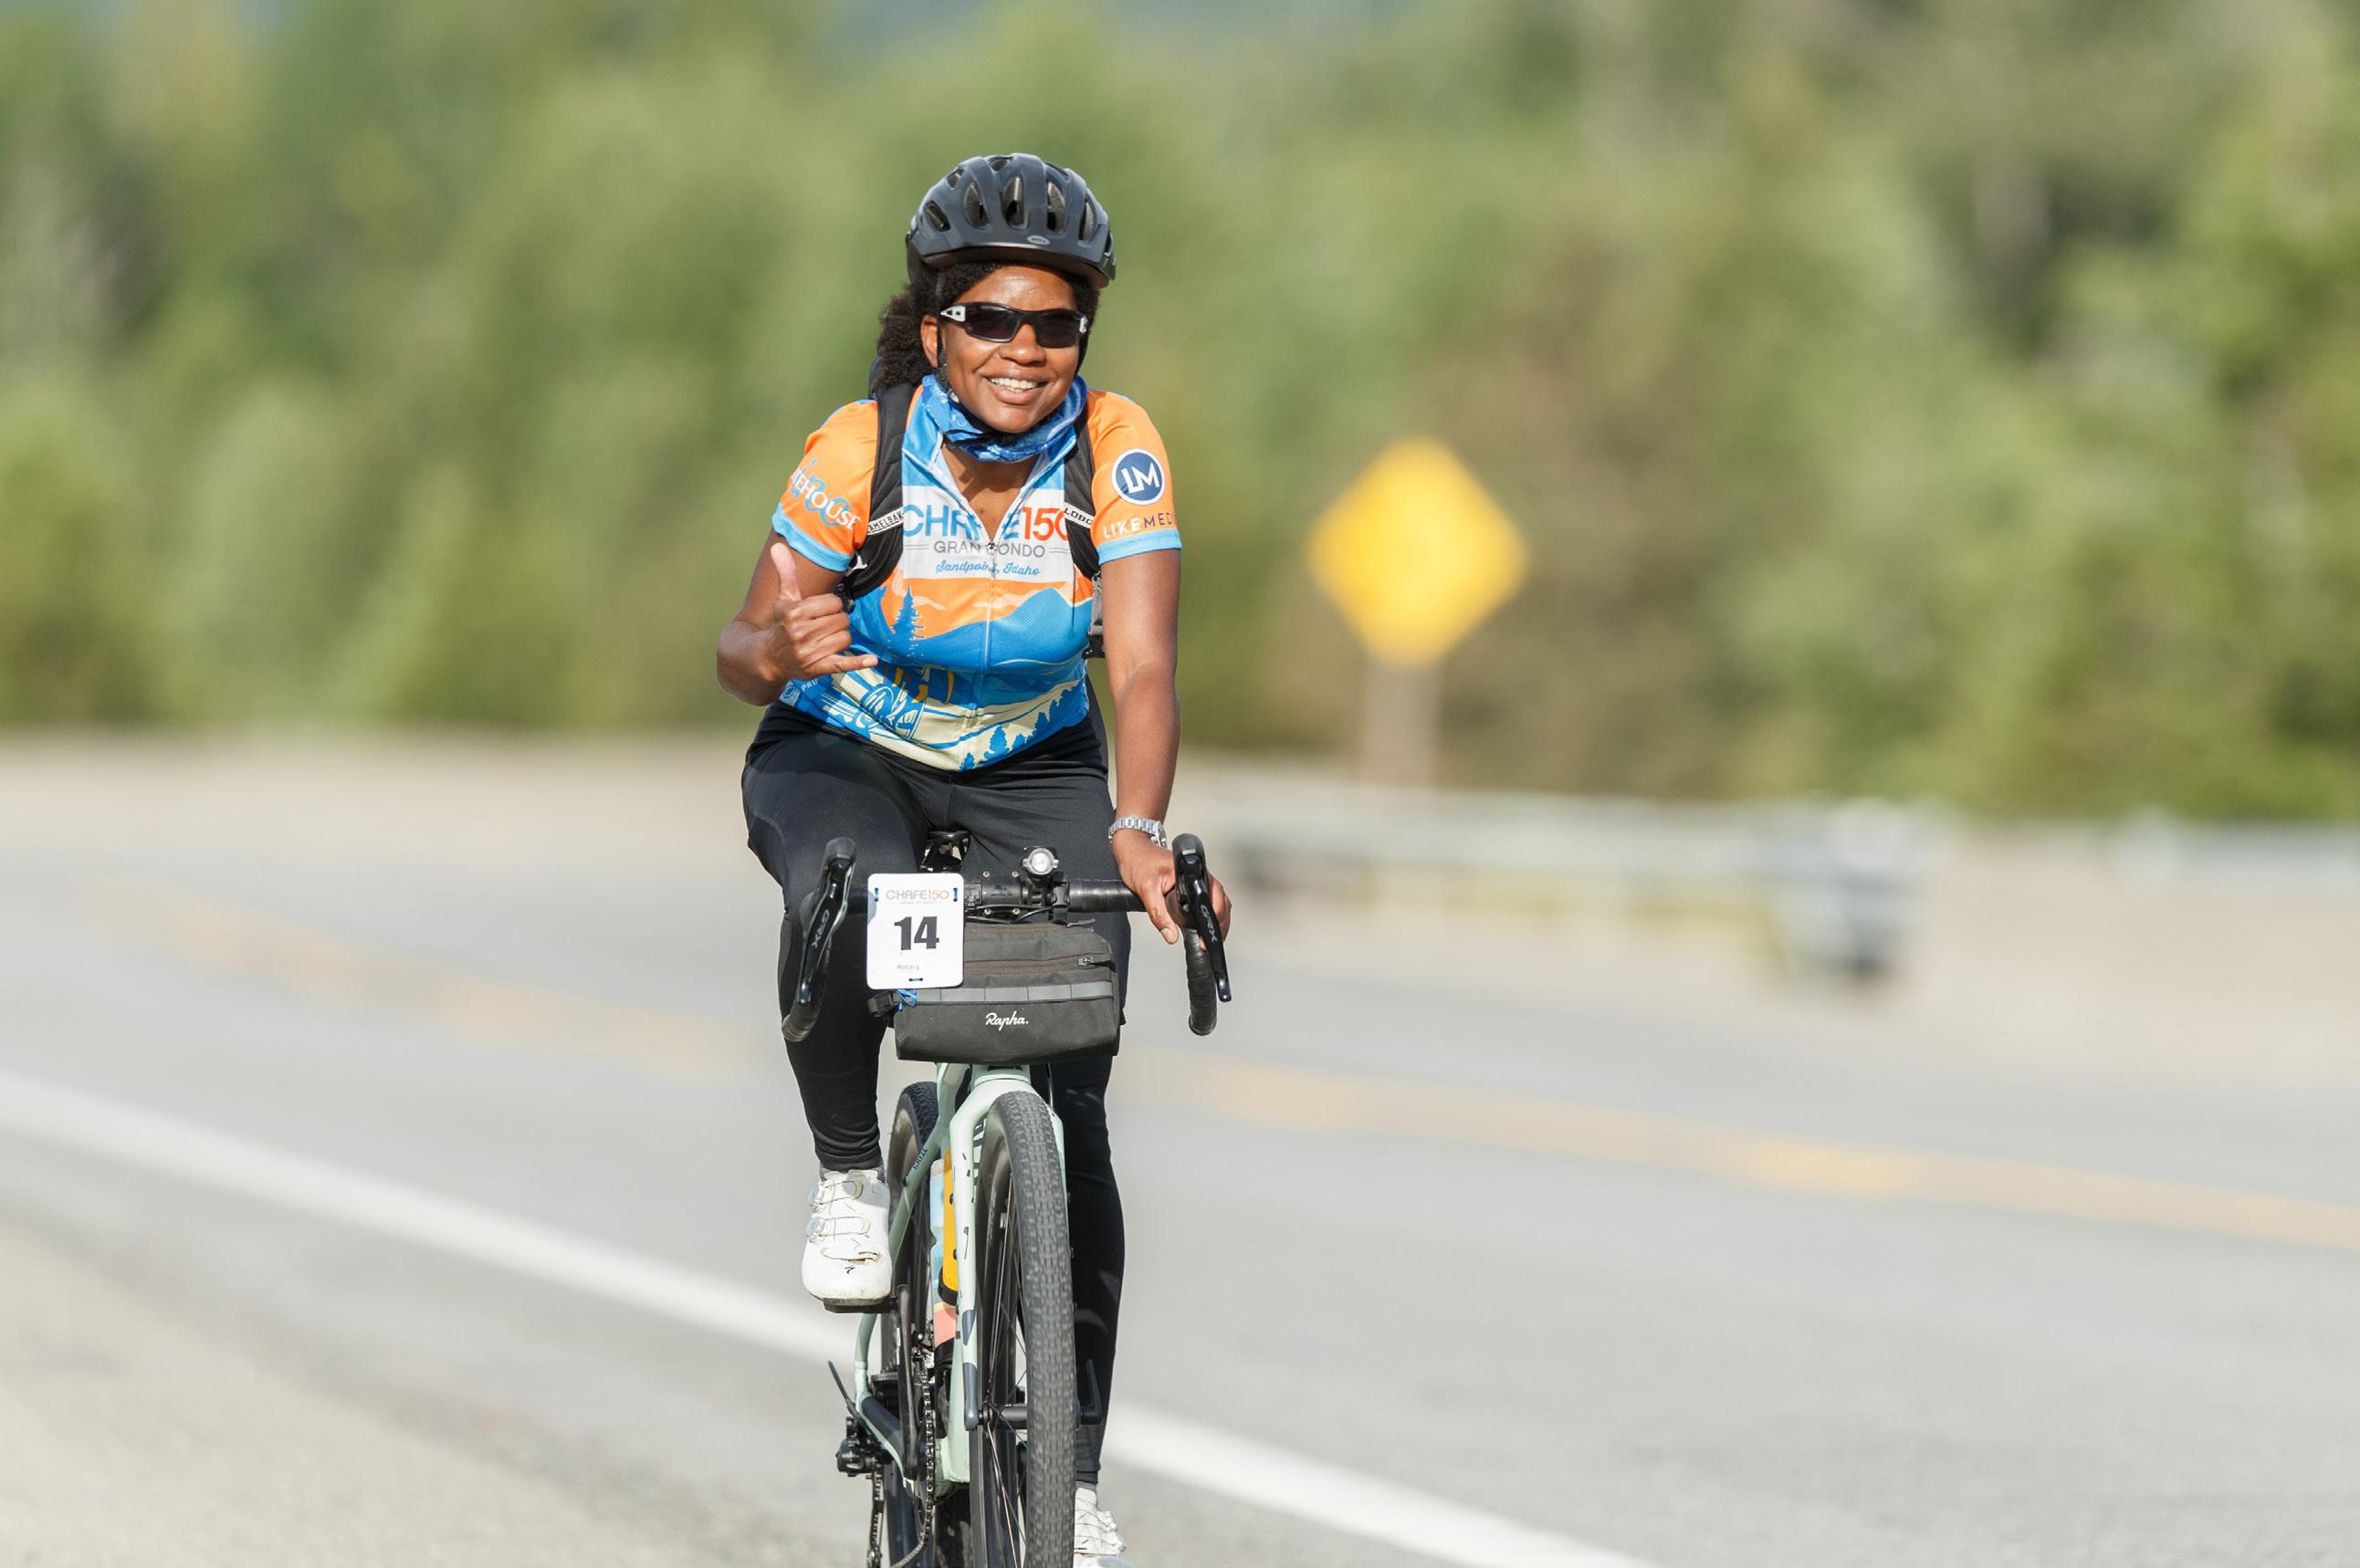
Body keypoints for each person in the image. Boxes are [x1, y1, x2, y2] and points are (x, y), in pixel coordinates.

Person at [715, 153, 1231, 1568]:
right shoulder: (860, 450)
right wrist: (776, 647)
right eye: (992, 318)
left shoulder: (1114, 447)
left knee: (1074, 1108)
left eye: (1055, 324)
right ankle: (848, 1172)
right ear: (937, 325)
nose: (1024, 348)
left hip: (1030, 763)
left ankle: (1067, 1473)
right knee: (857, 894)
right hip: (849, 749)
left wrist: (1137, 826)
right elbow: (741, 644)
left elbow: (1141, 662)